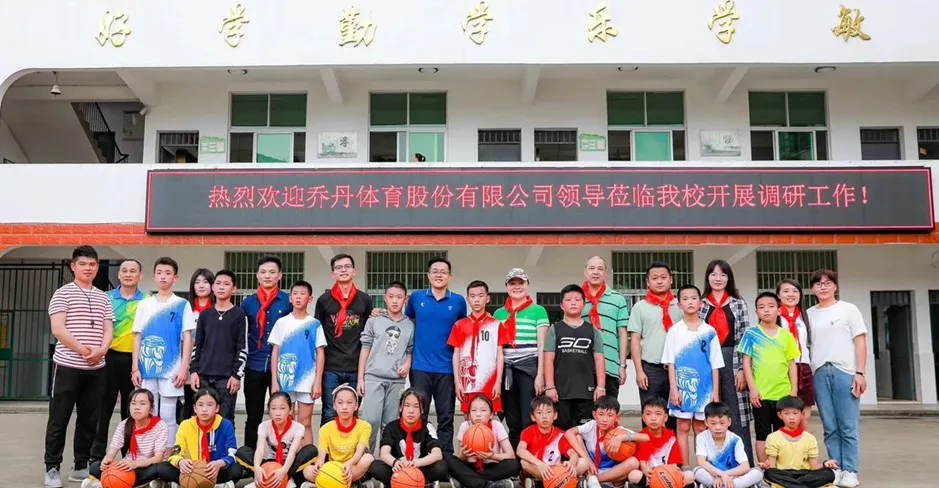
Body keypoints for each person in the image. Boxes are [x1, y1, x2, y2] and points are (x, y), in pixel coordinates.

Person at [45, 245, 115, 488]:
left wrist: (102, 351)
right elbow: (58, 329)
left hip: (97, 369)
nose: (88, 268)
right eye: (83, 264)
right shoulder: (62, 294)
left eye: (92, 264)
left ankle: (80, 466)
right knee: (59, 419)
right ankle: (52, 468)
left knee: (89, 420)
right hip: (68, 366)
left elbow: (108, 329)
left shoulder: (103, 297)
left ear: (97, 267)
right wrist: (86, 352)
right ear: (73, 266)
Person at [806, 270, 867, 488]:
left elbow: (860, 341)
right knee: (830, 425)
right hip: (819, 372)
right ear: (812, 289)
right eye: (818, 284)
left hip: (845, 371)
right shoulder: (809, 314)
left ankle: (850, 470)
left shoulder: (849, 309)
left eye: (827, 283)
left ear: (835, 286)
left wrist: (860, 372)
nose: (823, 287)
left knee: (848, 425)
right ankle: (836, 467)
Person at [131, 257, 195, 449]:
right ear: (154, 277)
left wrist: (184, 368)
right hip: (147, 368)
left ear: (175, 278)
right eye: (159, 273)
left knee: (168, 414)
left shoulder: (182, 304)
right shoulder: (145, 304)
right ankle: (148, 452)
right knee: (147, 412)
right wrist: (135, 367)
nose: (163, 277)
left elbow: (187, 338)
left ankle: (168, 452)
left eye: (168, 273)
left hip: (172, 368)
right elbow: (137, 336)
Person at [406, 258, 468, 454]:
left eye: (443, 271)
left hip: (447, 369)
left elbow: (464, 328)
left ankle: (445, 458)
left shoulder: (458, 301)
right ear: (428, 275)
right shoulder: (416, 298)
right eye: (435, 271)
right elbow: (404, 321)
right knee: (419, 416)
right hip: (420, 367)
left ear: (450, 276)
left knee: (446, 417)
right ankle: (420, 457)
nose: (439, 275)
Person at [699, 259, 754, 465]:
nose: (718, 278)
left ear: (729, 278)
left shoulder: (738, 304)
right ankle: (713, 465)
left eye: (723, 274)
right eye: (713, 274)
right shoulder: (701, 304)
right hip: (707, 362)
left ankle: (745, 465)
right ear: (707, 278)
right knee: (711, 413)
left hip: (732, 359)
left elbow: (744, 338)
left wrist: (741, 369)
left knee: (737, 414)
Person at [662, 285, 723, 465]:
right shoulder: (674, 331)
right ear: (679, 304)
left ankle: (702, 468)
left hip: (705, 388)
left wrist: (715, 392)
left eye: (694, 298)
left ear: (701, 303)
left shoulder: (709, 331)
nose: (690, 302)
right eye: (685, 298)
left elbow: (716, 364)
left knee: (701, 428)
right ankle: (685, 468)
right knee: (682, 426)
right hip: (682, 388)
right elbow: (670, 362)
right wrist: (674, 389)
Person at [92, 258, 144, 464]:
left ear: (140, 275)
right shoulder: (106, 298)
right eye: (124, 270)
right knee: (102, 408)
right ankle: (96, 457)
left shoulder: (147, 301)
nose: (128, 274)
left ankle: (129, 456)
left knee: (131, 410)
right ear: (119, 274)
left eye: (133, 271)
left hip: (135, 361)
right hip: (109, 358)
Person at [493, 268, 550, 449]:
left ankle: (530, 456)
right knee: (512, 417)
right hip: (507, 370)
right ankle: (515, 458)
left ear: (528, 285)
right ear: (506, 286)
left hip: (529, 368)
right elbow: (496, 348)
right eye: (512, 283)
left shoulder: (538, 311)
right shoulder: (499, 313)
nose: (517, 287)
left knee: (529, 415)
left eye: (521, 283)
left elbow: (542, 345)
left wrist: (540, 375)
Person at [739, 292, 799, 463]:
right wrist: (752, 389)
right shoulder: (751, 334)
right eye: (761, 307)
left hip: (783, 394)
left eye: (771, 306)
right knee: (762, 433)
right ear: (757, 312)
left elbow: (791, 364)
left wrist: (793, 391)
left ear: (779, 310)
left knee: (783, 433)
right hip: (761, 395)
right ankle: (765, 471)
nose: (766, 310)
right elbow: (746, 363)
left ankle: (783, 469)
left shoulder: (786, 336)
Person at [315, 254, 373, 426]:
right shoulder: (324, 300)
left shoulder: (364, 300)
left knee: (352, 413)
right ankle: (327, 445)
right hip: (330, 367)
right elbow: (318, 336)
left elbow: (369, 333)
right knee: (329, 412)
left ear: (354, 271)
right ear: (333, 274)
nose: (343, 270)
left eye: (347, 267)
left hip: (356, 367)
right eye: (338, 268)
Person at [358, 281, 415, 452]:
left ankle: (387, 460)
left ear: (405, 299)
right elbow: (365, 348)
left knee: (390, 424)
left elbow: (410, 349)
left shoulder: (409, 324)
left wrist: (407, 364)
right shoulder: (374, 320)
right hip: (373, 377)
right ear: (385, 298)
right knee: (370, 421)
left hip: (396, 380)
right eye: (391, 297)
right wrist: (361, 378)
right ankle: (367, 461)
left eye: (399, 297)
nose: (395, 301)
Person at [241, 256, 292, 449]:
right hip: (254, 364)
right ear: (257, 275)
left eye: (272, 272)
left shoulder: (288, 301)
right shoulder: (248, 303)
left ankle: (281, 455)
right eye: (263, 272)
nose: (267, 276)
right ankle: (249, 457)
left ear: (280, 275)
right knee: (253, 415)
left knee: (282, 415)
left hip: (281, 368)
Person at [270, 280, 327, 446]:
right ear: (290, 298)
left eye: (302, 294)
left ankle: (307, 456)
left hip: (307, 379)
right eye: (295, 294)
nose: (298, 297)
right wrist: (274, 380)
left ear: (310, 298)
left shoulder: (314, 324)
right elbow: (275, 352)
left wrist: (317, 381)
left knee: (305, 421)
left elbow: (320, 353)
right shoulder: (281, 323)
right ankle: (287, 456)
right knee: (287, 421)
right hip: (285, 378)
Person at [628, 262, 682, 430]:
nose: (659, 281)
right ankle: (649, 447)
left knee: (674, 415)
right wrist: (639, 371)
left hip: (677, 369)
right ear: (648, 282)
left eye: (663, 277)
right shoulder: (640, 307)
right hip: (650, 369)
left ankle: (671, 447)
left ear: (671, 280)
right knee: (650, 415)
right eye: (655, 278)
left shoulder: (680, 306)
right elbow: (635, 340)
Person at [189, 269, 248, 423]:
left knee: (225, 421)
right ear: (213, 287)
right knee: (202, 419)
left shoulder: (239, 315)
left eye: (226, 284)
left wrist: (236, 375)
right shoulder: (205, 315)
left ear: (234, 289)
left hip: (227, 379)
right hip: (203, 377)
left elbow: (242, 347)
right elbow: (197, 345)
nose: (221, 287)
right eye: (218, 283)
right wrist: (193, 371)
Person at [544, 284, 605, 430]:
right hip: (561, 392)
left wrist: (601, 387)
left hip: (586, 392)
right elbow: (548, 360)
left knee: (584, 432)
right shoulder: (554, 329)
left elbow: (599, 360)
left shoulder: (592, 331)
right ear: (561, 305)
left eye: (577, 300)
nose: (573, 303)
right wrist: (550, 387)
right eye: (568, 300)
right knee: (562, 431)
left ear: (584, 305)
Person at [156, 388, 243, 486]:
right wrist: (181, 461)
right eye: (200, 405)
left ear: (217, 408)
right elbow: (175, 452)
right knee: (163, 468)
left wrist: (220, 463)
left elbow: (232, 453)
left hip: (216, 470)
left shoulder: (226, 424)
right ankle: (190, 482)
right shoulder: (186, 425)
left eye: (210, 405)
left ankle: (204, 484)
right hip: (192, 470)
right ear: (195, 408)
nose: (204, 409)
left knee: (236, 470)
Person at [83, 389, 168, 488]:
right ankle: (140, 484)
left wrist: (135, 464)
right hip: (127, 467)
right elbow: (112, 452)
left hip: (147, 467)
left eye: (142, 403)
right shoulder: (124, 425)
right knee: (95, 466)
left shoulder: (160, 426)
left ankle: (103, 484)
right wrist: (106, 462)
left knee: (163, 469)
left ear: (151, 409)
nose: (137, 407)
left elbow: (158, 458)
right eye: (133, 403)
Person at [449, 280, 510, 416]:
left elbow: (500, 355)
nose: (476, 300)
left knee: (489, 420)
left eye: (481, 296)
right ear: (468, 299)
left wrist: (498, 382)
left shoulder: (496, 325)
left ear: (487, 298)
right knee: (468, 420)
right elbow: (456, 354)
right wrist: (457, 382)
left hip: (490, 382)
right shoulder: (459, 325)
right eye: (473, 296)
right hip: (467, 382)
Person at [235, 392, 318, 488]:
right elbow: (260, 450)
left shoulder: (298, 427)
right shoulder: (264, 426)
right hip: (271, 462)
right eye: (273, 408)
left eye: (282, 408)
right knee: (242, 452)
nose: (278, 413)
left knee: (311, 450)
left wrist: (283, 471)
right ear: (269, 410)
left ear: (290, 409)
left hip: (290, 464)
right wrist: (257, 467)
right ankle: (264, 478)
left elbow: (292, 452)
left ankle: (286, 479)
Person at [368, 389, 449, 487]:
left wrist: (418, 462)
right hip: (398, 468)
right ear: (401, 408)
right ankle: (402, 481)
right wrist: (395, 462)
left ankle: (416, 481)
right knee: (376, 466)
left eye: (416, 406)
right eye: (407, 405)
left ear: (422, 410)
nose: (411, 411)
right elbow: (384, 453)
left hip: (419, 468)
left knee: (442, 466)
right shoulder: (391, 427)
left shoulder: (427, 426)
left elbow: (437, 454)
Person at [565, 396, 645, 488]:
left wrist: (621, 437)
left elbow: (645, 437)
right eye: (601, 414)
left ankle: (595, 481)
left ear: (617, 417)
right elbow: (569, 433)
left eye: (610, 415)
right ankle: (591, 479)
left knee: (634, 462)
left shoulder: (620, 431)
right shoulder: (591, 425)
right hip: (591, 469)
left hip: (613, 474)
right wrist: (587, 459)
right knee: (577, 436)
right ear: (594, 415)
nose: (605, 419)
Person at [581, 257, 630, 402]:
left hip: (610, 365)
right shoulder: (576, 298)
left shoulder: (618, 299)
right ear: (585, 272)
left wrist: (622, 365)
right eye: (591, 268)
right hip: (582, 366)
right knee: (583, 412)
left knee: (608, 410)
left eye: (600, 269)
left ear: (606, 273)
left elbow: (622, 334)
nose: (596, 272)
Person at [303, 385, 374, 485]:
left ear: (356, 406)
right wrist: (319, 463)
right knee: (307, 471)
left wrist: (349, 464)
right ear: (334, 406)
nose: (344, 407)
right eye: (340, 403)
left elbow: (360, 451)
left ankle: (332, 483)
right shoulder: (325, 428)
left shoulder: (364, 426)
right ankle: (344, 483)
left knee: (368, 459)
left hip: (352, 467)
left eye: (349, 403)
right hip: (333, 469)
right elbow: (322, 455)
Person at [761, 396, 838, 488]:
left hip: (805, 474)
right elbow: (772, 466)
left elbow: (814, 467)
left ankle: (791, 486)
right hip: (784, 473)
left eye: (795, 413)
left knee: (829, 474)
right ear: (780, 415)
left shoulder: (810, 438)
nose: (791, 417)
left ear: (802, 414)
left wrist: (825, 464)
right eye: (786, 413)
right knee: (770, 473)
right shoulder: (773, 437)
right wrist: (766, 466)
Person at [445, 396, 520, 488]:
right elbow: (460, 457)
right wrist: (463, 455)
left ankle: (467, 481)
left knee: (514, 465)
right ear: (469, 414)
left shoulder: (497, 425)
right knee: (448, 459)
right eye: (473, 410)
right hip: (470, 466)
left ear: (491, 414)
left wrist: (493, 456)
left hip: (491, 467)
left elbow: (511, 455)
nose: (478, 414)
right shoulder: (464, 426)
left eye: (483, 410)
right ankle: (488, 485)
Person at [692, 402, 763, 488]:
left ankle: (717, 486)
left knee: (757, 473)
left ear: (729, 422)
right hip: (713, 475)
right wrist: (720, 474)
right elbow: (701, 462)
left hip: (733, 476)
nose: (718, 427)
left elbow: (745, 466)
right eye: (713, 423)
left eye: (722, 423)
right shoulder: (701, 437)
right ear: (706, 422)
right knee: (697, 471)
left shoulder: (735, 439)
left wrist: (724, 475)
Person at [626, 397, 693, 488]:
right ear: (643, 418)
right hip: (649, 476)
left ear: (665, 417)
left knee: (690, 475)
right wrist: (649, 474)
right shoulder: (641, 436)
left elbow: (673, 465)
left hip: (667, 476)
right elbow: (643, 464)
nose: (653, 418)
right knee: (633, 475)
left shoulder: (671, 437)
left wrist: (669, 475)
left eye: (658, 414)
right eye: (648, 414)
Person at [517, 396, 587, 483]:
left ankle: (552, 482)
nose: (544, 416)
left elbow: (572, 453)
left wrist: (572, 462)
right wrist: (539, 464)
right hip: (538, 469)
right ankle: (561, 482)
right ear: (533, 417)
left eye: (548, 412)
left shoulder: (560, 434)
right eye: (539, 413)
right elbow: (520, 451)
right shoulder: (528, 431)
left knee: (584, 462)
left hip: (556, 470)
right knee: (524, 462)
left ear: (555, 415)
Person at [776, 279, 815, 428]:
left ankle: (802, 442)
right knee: (785, 415)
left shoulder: (806, 316)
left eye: (795, 291)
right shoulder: (775, 316)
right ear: (778, 295)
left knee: (803, 416)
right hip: (782, 369)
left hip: (803, 367)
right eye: (786, 291)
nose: (790, 294)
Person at [179, 268, 215, 422]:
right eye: (197, 282)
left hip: (210, 365)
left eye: (205, 282)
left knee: (208, 404)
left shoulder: (217, 310)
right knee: (189, 404)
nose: (201, 285)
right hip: (188, 365)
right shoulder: (185, 309)